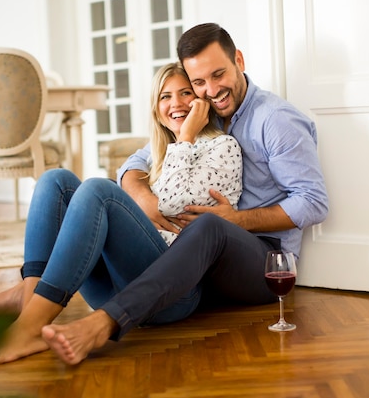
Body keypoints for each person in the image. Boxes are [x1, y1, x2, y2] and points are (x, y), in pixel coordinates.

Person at [41, 23, 329, 366]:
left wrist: (237, 220)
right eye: (199, 83)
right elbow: (135, 163)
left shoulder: (274, 119)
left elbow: (313, 202)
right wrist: (143, 198)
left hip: (263, 260)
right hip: (201, 263)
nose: (212, 90)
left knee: (208, 227)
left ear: (239, 59)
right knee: (60, 183)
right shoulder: (202, 112)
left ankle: (106, 322)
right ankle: (33, 297)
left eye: (219, 74)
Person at [0, 62, 243, 364]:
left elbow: (172, 204)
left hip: (172, 294)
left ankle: (29, 325)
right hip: (115, 289)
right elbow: (134, 178)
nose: (176, 103)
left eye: (186, 93)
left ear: (201, 101)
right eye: (165, 96)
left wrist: (186, 135)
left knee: (99, 190)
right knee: (54, 180)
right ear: (155, 106)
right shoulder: (161, 152)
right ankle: (31, 307)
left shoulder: (223, 147)